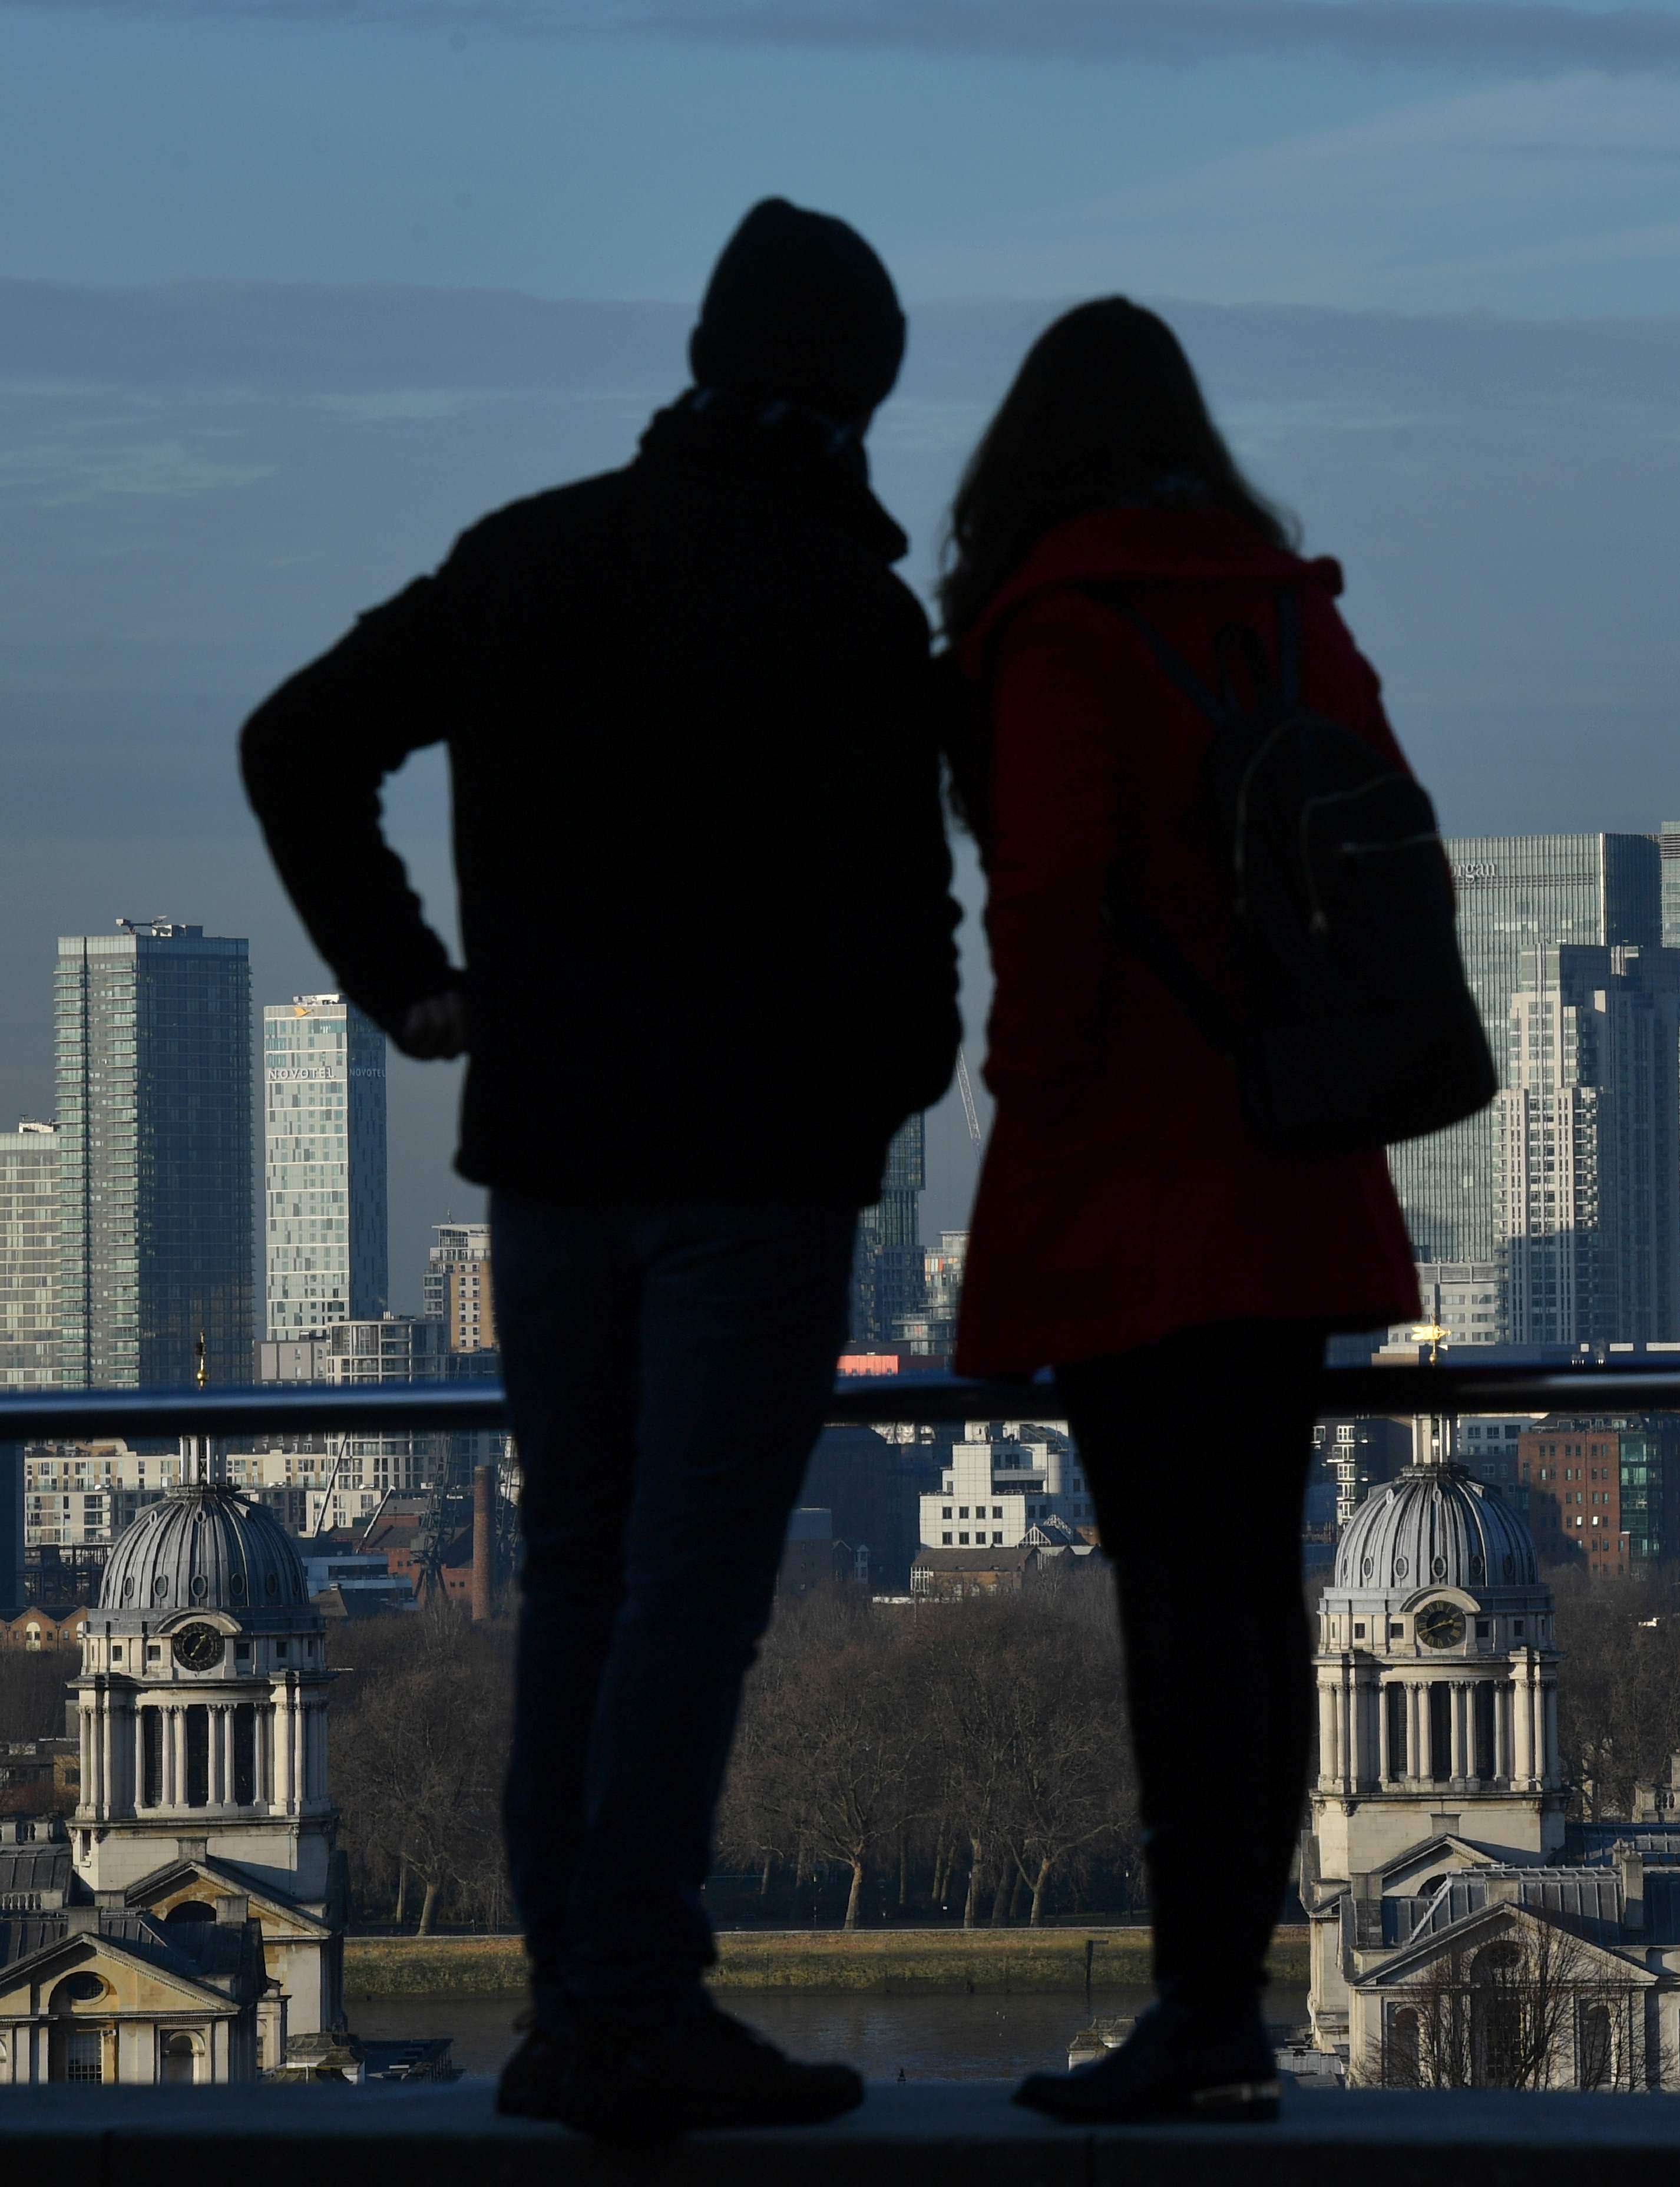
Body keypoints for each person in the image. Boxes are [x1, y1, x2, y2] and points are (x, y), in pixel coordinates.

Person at [240, 199, 959, 2142]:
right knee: (693, 1594)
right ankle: (634, 2005)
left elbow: (297, 743)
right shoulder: (845, 607)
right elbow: (910, 934)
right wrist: (878, 1102)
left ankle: (580, 2002)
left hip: (548, 1170)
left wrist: (413, 989)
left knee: (576, 1578)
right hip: (754, 1178)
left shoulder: (528, 558)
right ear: (857, 389)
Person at [938, 298, 1420, 2124]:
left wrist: (1035, 1108)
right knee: (1254, 1594)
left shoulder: (1059, 625)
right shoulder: (1290, 609)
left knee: (1174, 1603)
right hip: (1291, 1152)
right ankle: (1225, 1995)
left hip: (1135, 1176)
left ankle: (1199, 2006)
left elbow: (1050, 902)